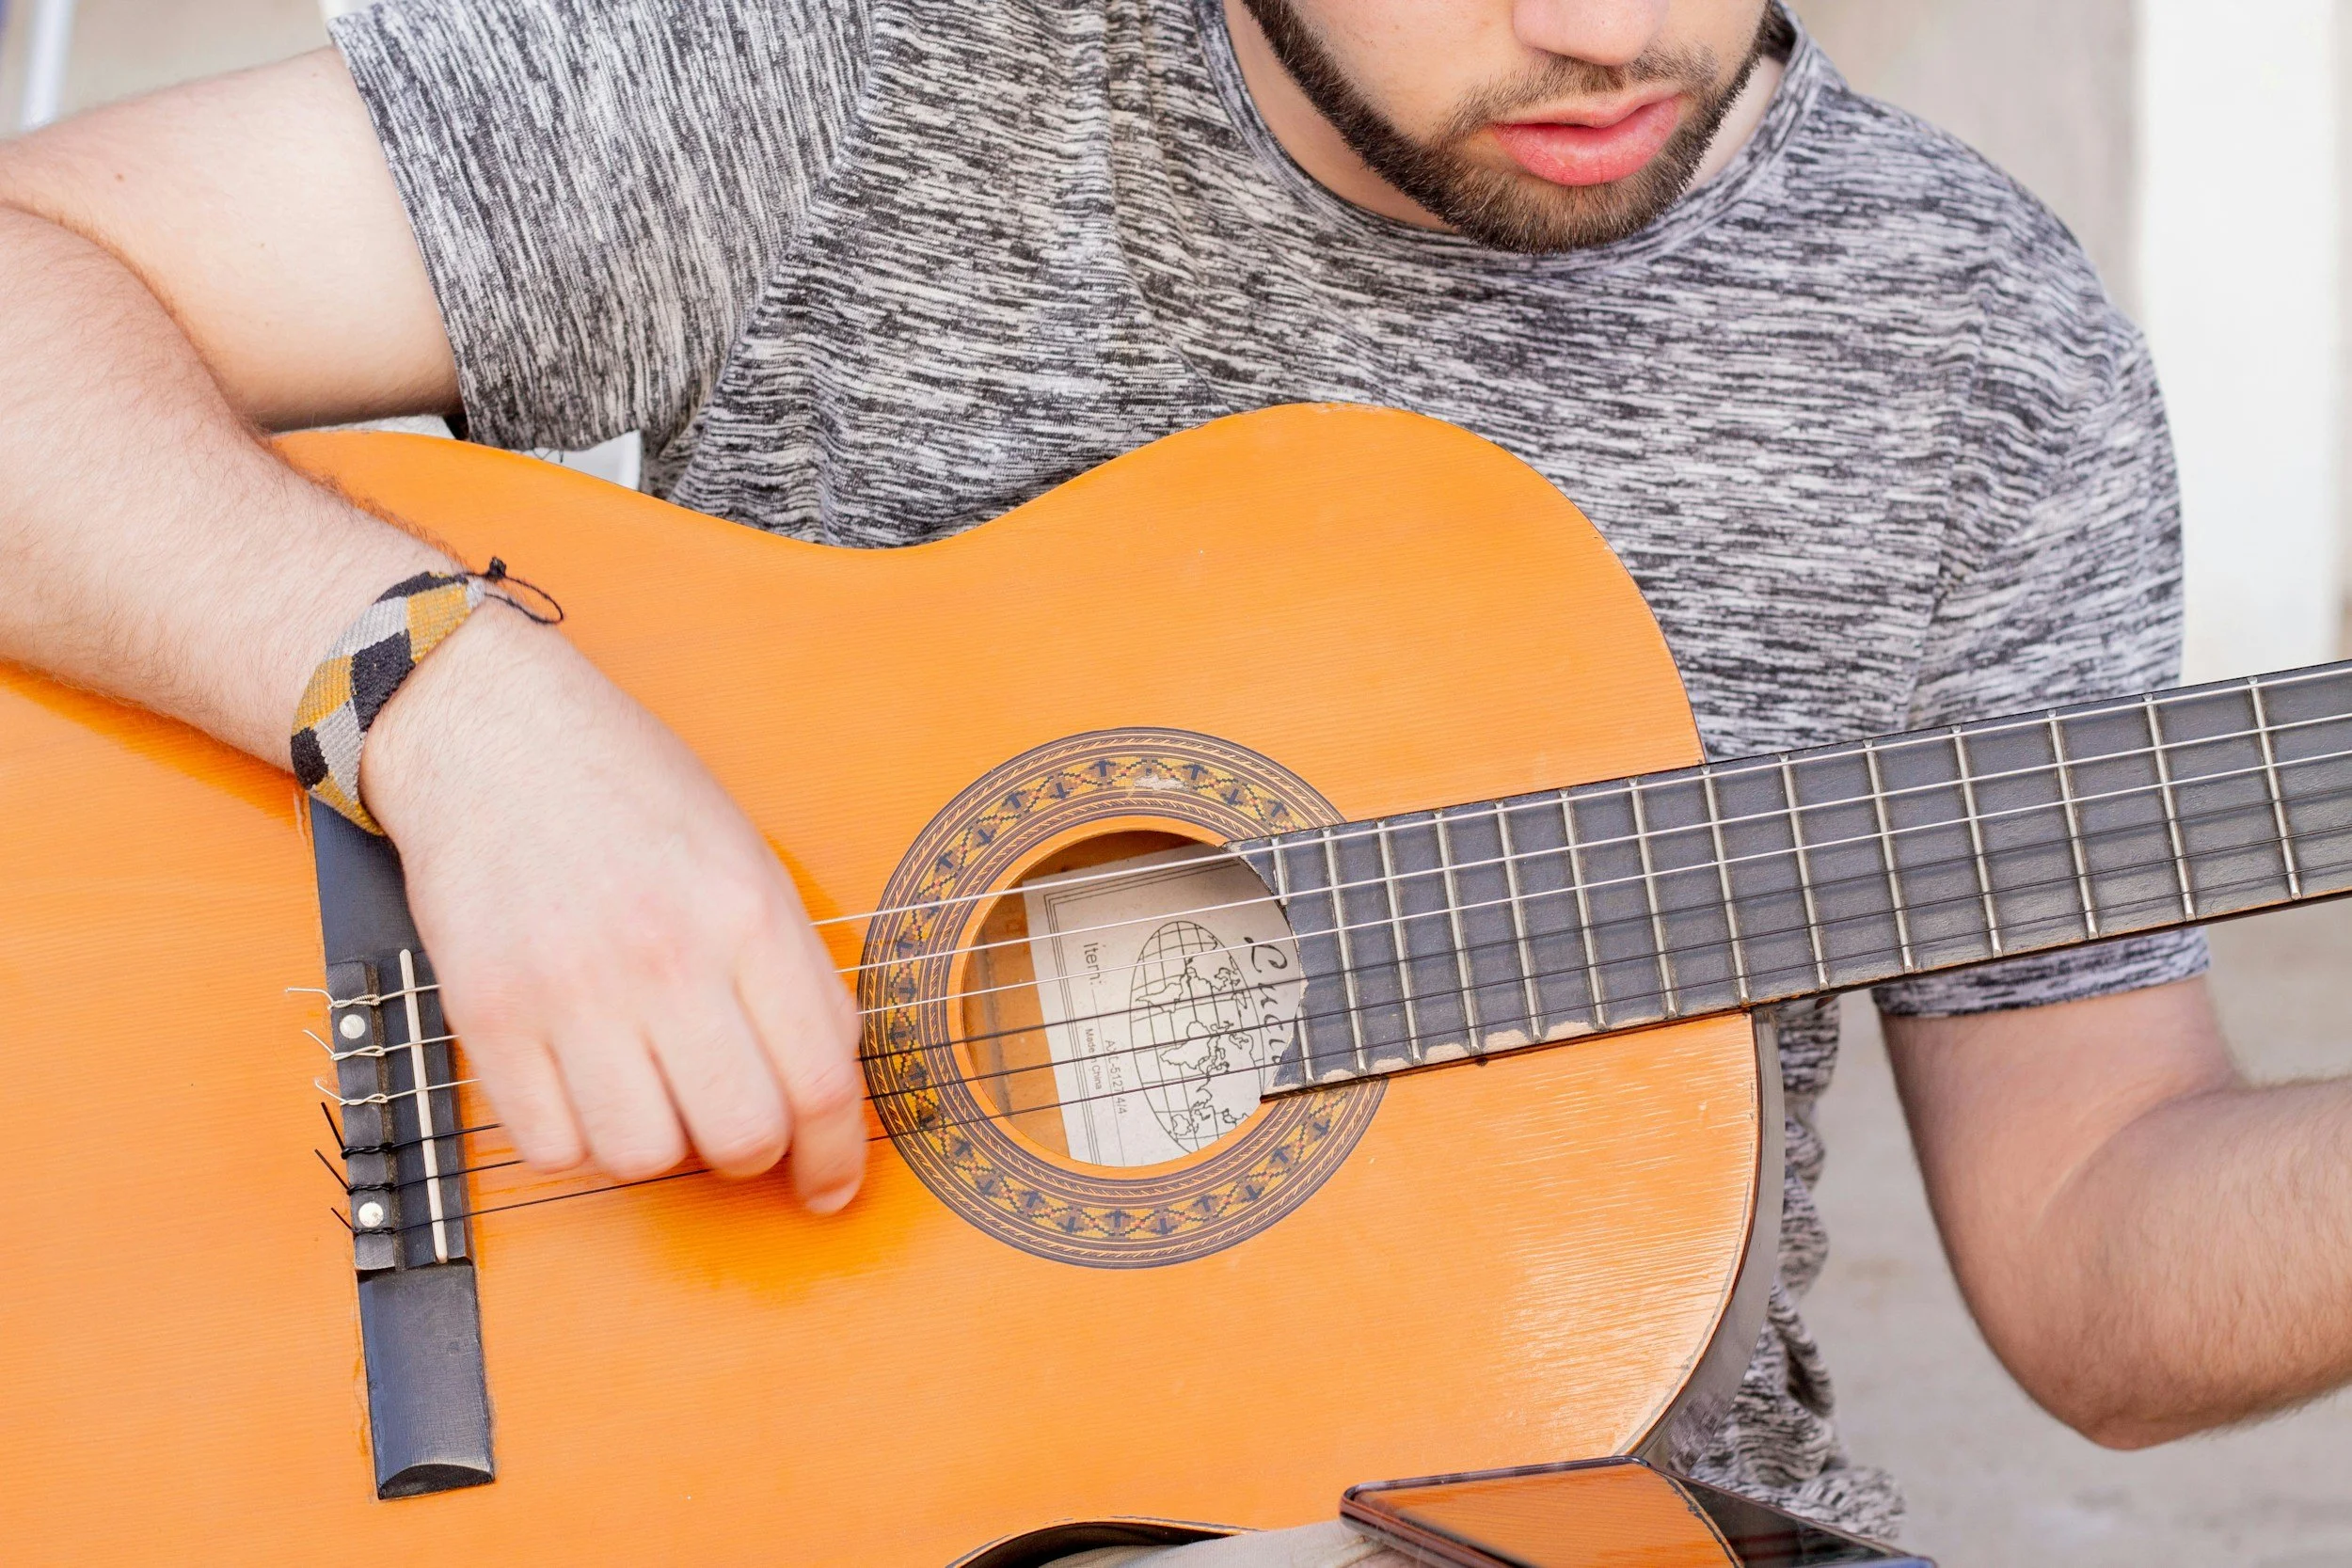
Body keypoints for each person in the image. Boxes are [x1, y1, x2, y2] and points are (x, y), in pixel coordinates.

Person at [3, 1, 2346, 1560]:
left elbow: (2090, 1251)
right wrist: (454, 713)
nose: (1609, 24)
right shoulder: (849, 76)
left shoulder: (1970, 343)